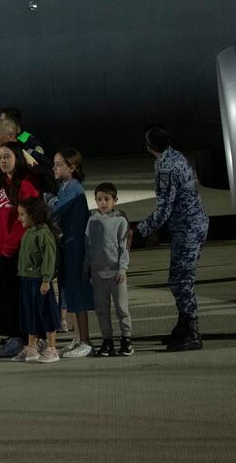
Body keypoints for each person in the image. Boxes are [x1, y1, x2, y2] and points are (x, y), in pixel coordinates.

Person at [135, 124, 209, 352]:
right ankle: (184, 325)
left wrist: (140, 230)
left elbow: (164, 208)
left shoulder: (165, 168)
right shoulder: (176, 157)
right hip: (191, 225)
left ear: (149, 146)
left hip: (187, 228)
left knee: (181, 280)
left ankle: (191, 331)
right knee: (178, 278)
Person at [0, 141, 43, 358]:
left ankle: (27, 338)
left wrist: (10, 246)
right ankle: (14, 337)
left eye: (7, 156)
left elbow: (25, 220)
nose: (3, 161)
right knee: (6, 296)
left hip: (17, 252)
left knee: (21, 297)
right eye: (0, 157)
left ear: (17, 158)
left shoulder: (26, 184)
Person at [50, 148, 95, 358]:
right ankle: (78, 338)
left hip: (76, 246)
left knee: (77, 292)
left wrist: (44, 200)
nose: (54, 168)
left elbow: (55, 211)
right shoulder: (65, 186)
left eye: (59, 164)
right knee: (69, 291)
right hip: (68, 244)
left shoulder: (73, 188)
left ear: (72, 167)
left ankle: (85, 340)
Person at [85, 182, 133, 357]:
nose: (103, 203)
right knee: (102, 309)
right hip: (98, 274)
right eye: (99, 199)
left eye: (107, 199)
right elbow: (88, 247)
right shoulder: (92, 221)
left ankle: (126, 339)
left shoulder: (120, 221)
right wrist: (87, 269)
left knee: (122, 307)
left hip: (116, 273)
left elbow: (124, 247)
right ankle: (107, 340)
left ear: (115, 200)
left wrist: (122, 268)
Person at [12, 197, 60, 363]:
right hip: (27, 279)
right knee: (30, 314)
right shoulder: (29, 232)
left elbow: (49, 257)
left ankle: (52, 348)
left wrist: (46, 279)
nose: (19, 218)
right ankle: (31, 348)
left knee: (46, 313)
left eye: (22, 215)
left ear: (34, 215)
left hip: (39, 281)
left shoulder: (43, 233)